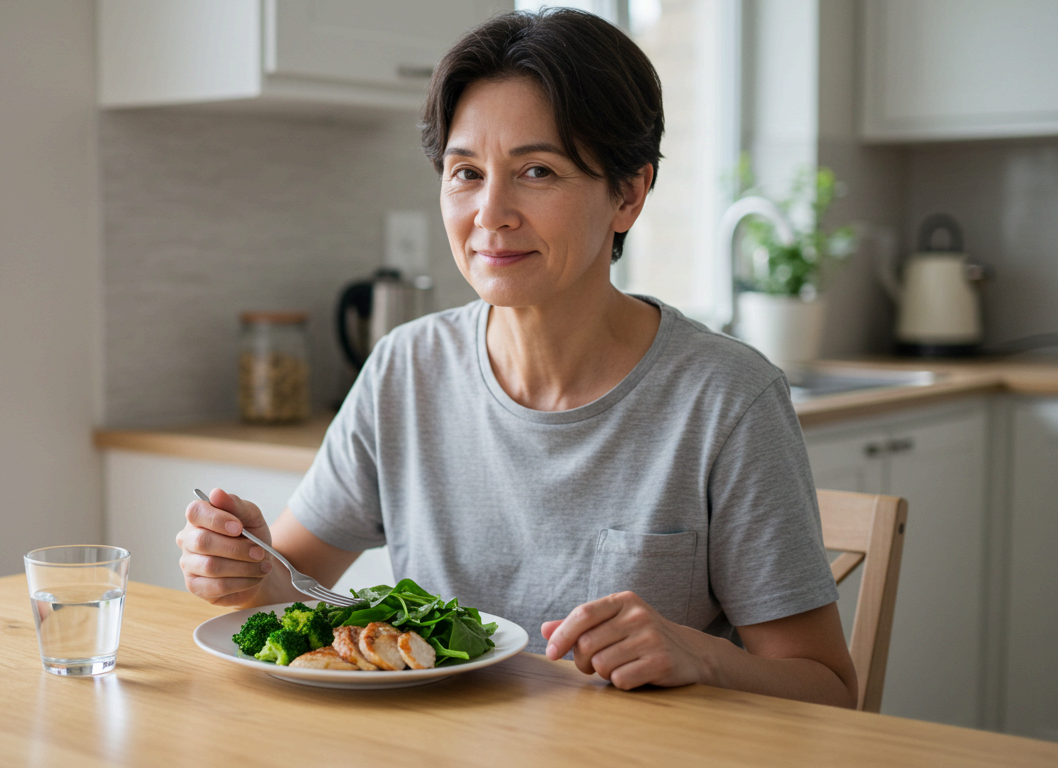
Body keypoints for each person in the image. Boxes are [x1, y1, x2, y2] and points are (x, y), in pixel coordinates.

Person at [176, 9, 857, 708]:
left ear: (628, 194)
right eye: (466, 172)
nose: (491, 213)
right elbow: (291, 583)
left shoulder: (726, 399)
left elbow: (831, 692)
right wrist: (243, 567)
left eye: (537, 170)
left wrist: (703, 655)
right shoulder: (405, 369)